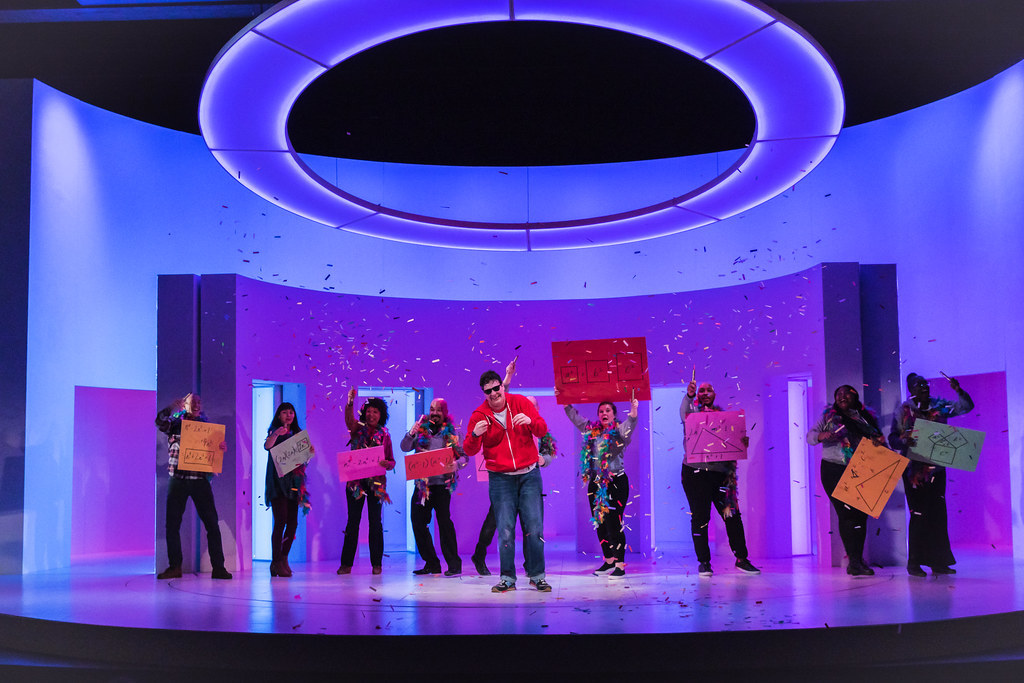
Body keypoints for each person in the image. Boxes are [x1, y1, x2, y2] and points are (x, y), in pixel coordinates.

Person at [464, 369, 550, 593]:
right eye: (488, 391)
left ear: (502, 386)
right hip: (501, 479)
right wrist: (474, 434)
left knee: (534, 527)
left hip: (529, 474)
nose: (493, 394)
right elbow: (469, 449)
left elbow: (542, 430)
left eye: (496, 388)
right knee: (505, 530)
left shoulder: (520, 402)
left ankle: (537, 575)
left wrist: (531, 421)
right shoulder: (479, 415)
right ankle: (508, 578)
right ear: (484, 393)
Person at [889, 373, 974, 577]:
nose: (924, 387)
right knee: (919, 514)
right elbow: (893, 438)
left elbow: (966, 407)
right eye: (919, 385)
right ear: (912, 389)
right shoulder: (904, 410)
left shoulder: (939, 405)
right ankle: (914, 563)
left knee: (937, 514)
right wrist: (904, 441)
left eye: (926, 384)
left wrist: (958, 390)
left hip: (937, 467)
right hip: (914, 469)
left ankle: (939, 562)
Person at [681, 381, 760, 577]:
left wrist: (742, 442)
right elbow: (684, 411)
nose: (705, 393)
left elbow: (733, 444)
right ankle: (704, 562)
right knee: (700, 517)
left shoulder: (725, 418)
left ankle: (742, 558)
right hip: (695, 473)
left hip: (721, 474)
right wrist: (689, 396)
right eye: (702, 390)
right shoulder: (692, 414)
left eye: (709, 390)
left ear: (715, 394)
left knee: (731, 515)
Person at [807, 385, 885, 577]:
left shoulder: (865, 417)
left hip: (860, 469)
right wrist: (822, 435)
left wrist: (879, 442)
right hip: (833, 469)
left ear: (855, 397)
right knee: (846, 514)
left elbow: (878, 438)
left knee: (861, 515)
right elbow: (810, 437)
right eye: (838, 394)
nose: (841, 396)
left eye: (846, 394)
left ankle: (857, 560)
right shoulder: (828, 416)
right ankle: (854, 561)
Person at [154, 393, 231, 580]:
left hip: (199, 480)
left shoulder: (207, 427)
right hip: (178, 478)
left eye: (198, 402)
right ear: (184, 404)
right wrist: (172, 407)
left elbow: (213, 451)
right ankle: (175, 567)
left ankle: (219, 567)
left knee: (212, 523)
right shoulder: (175, 423)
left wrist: (220, 448)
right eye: (191, 402)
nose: (196, 405)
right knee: (172, 524)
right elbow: (159, 421)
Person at [564, 395, 637, 578]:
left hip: (616, 482)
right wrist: (565, 402)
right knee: (600, 523)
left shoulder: (620, 431)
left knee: (614, 522)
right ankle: (609, 560)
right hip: (596, 483)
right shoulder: (592, 430)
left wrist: (634, 410)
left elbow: (631, 423)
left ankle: (620, 564)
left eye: (608, 411)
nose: (604, 413)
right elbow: (577, 420)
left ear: (614, 414)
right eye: (601, 411)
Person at [400, 398, 468, 577]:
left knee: (445, 524)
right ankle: (432, 563)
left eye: (439, 410)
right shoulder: (421, 431)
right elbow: (404, 447)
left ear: (445, 412)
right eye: (432, 409)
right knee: (417, 523)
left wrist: (456, 464)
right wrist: (410, 433)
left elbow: (465, 457)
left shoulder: (453, 433)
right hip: (422, 486)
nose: (434, 413)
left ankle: (454, 565)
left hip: (442, 486)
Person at [338, 388, 395, 576]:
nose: (371, 414)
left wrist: (388, 463)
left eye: (375, 412)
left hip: (376, 484)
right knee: (352, 522)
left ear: (381, 415)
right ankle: (346, 564)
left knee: (375, 523)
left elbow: (391, 460)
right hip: (355, 483)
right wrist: (350, 403)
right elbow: (348, 420)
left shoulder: (385, 434)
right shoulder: (357, 429)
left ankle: (376, 564)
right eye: (369, 411)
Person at [262, 402, 311, 578]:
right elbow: (267, 446)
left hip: (294, 483)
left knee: (293, 523)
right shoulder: (274, 431)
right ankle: (275, 561)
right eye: (285, 412)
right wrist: (276, 433)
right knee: (280, 521)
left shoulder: (297, 433)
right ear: (279, 415)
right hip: (278, 483)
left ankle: (283, 558)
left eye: (291, 412)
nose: (289, 415)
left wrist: (308, 453)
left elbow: (304, 460)